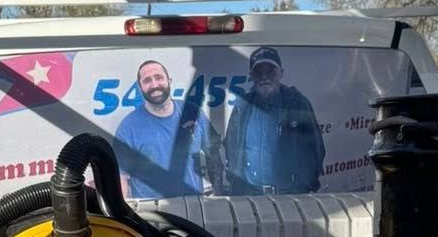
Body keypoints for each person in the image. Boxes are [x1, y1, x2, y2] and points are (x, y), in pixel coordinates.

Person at [224, 46, 325, 194]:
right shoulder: (242, 105)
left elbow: (316, 150)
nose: (264, 77)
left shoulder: (297, 103)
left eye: (270, 71)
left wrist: (303, 187)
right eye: (258, 72)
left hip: (288, 195)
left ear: (281, 73)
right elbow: (231, 145)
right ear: (251, 76)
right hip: (249, 194)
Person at [113, 58, 211, 201]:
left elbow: (214, 154)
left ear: (169, 81)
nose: (154, 85)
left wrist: (218, 197)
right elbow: (121, 177)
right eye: (147, 81)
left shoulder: (193, 113)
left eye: (159, 78)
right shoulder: (128, 128)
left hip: (193, 208)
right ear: (140, 89)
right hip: (152, 214)